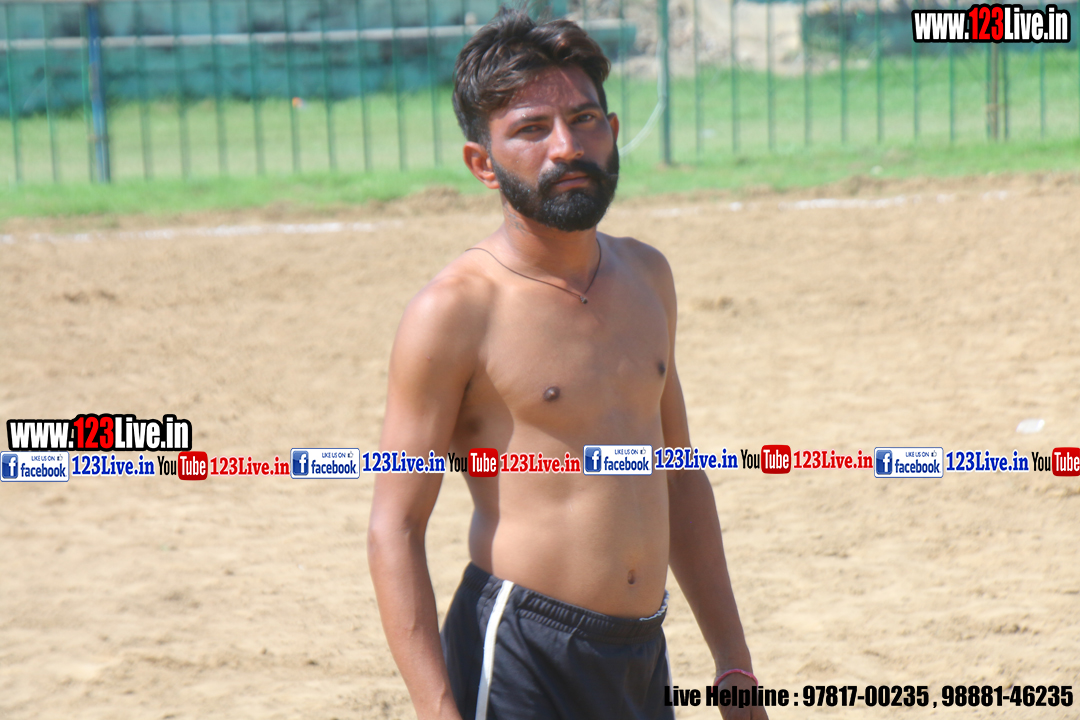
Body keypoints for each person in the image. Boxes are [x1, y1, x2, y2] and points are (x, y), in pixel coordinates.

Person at [368, 9, 767, 720]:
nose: (566, 147)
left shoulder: (648, 275)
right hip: (521, 655)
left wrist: (733, 662)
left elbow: (679, 476)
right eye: (531, 129)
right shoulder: (455, 311)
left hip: (640, 656)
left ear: (612, 132)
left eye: (583, 120)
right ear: (482, 164)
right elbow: (394, 527)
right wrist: (437, 710)